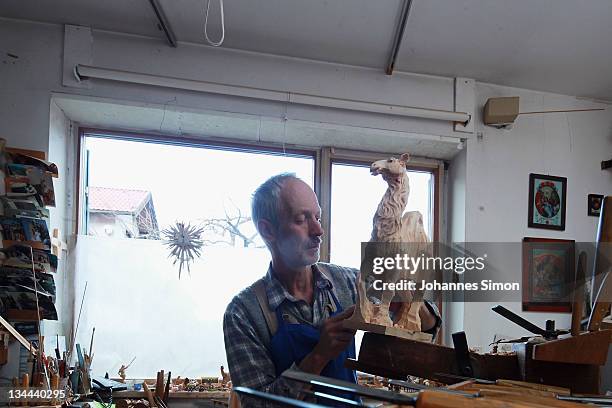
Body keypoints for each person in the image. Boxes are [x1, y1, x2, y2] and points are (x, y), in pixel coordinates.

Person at [223, 174, 440, 406]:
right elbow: (257, 405)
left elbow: (427, 327)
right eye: (301, 219)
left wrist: (408, 300)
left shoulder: (347, 282)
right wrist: (319, 355)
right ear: (268, 231)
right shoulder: (243, 313)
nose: (318, 230)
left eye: (317, 217)